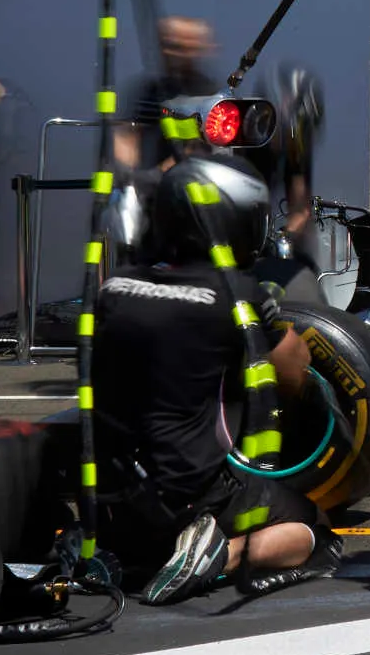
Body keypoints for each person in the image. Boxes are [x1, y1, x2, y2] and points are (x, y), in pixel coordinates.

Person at [91, 155, 339, 605]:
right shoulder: (236, 296)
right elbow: (295, 371)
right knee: (315, 530)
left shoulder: (114, 287)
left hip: (113, 499)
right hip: (192, 495)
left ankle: (122, 555)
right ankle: (220, 555)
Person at [245, 65, 327, 301]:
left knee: (303, 267)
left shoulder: (296, 148)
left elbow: (300, 209)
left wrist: (285, 238)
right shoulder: (243, 143)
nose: (290, 144)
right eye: (285, 135)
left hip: (261, 238)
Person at [115, 17, 220, 172]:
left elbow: (198, 149)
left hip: (194, 179)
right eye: (168, 45)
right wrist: (129, 168)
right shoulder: (149, 91)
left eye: (181, 47)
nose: (171, 53)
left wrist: (157, 174)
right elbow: (127, 135)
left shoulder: (211, 96)